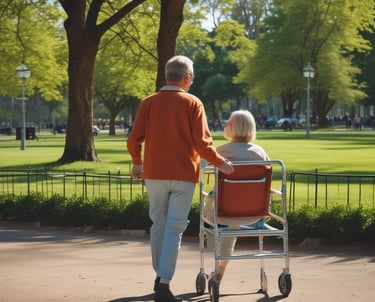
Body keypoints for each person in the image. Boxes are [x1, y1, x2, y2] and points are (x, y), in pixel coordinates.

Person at [126, 55, 234, 302]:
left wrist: (137, 162)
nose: (192, 81)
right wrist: (222, 164)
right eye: (192, 77)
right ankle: (164, 282)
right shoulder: (193, 103)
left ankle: (159, 276)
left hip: (154, 172)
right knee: (174, 227)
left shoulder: (148, 102)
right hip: (185, 173)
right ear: (186, 78)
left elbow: (134, 140)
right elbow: (203, 144)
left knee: (158, 225)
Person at [203, 109, 269, 283]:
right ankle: (220, 269)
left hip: (224, 210)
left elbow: (200, 167)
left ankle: (217, 264)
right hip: (255, 211)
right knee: (232, 224)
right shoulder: (260, 152)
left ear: (236, 128)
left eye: (228, 122)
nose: (224, 124)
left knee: (212, 216)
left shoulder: (221, 151)